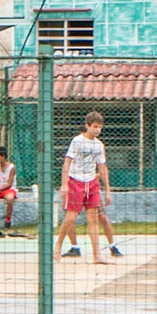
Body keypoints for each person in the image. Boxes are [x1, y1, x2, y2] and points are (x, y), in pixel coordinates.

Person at [57, 111, 121, 264]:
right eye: (95, 127)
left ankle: (97, 254)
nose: (97, 130)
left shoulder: (99, 145)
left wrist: (108, 190)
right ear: (87, 126)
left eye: (100, 127)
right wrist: (64, 183)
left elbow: (102, 166)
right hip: (75, 181)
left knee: (93, 219)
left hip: (91, 182)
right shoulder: (77, 141)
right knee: (71, 217)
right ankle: (58, 246)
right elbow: (67, 162)